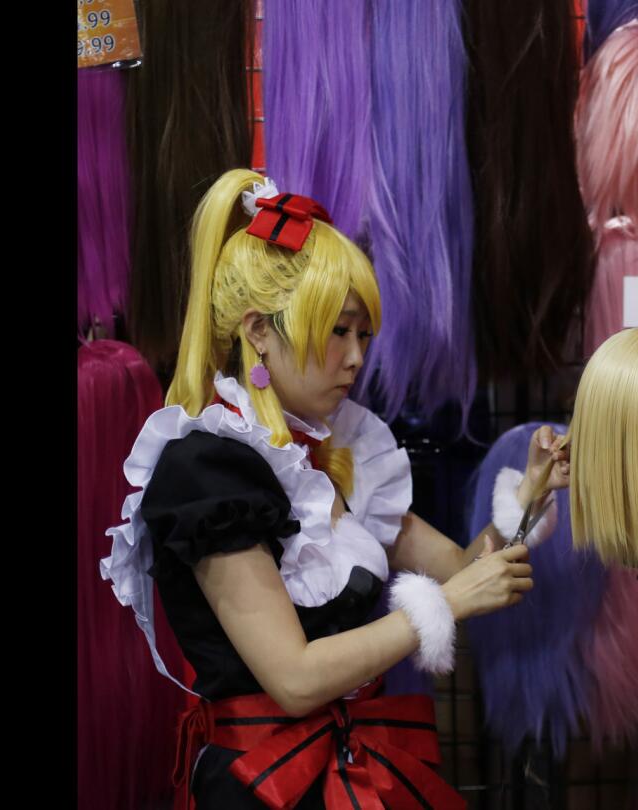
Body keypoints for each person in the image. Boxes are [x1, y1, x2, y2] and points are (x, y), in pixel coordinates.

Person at [99, 168, 569, 809]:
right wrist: (448, 603)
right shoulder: (207, 470)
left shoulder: (343, 449)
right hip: (259, 787)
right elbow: (292, 678)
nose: (354, 357)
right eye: (336, 330)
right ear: (259, 330)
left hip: (348, 768)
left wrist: (528, 497)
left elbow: (464, 567)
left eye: (362, 334)